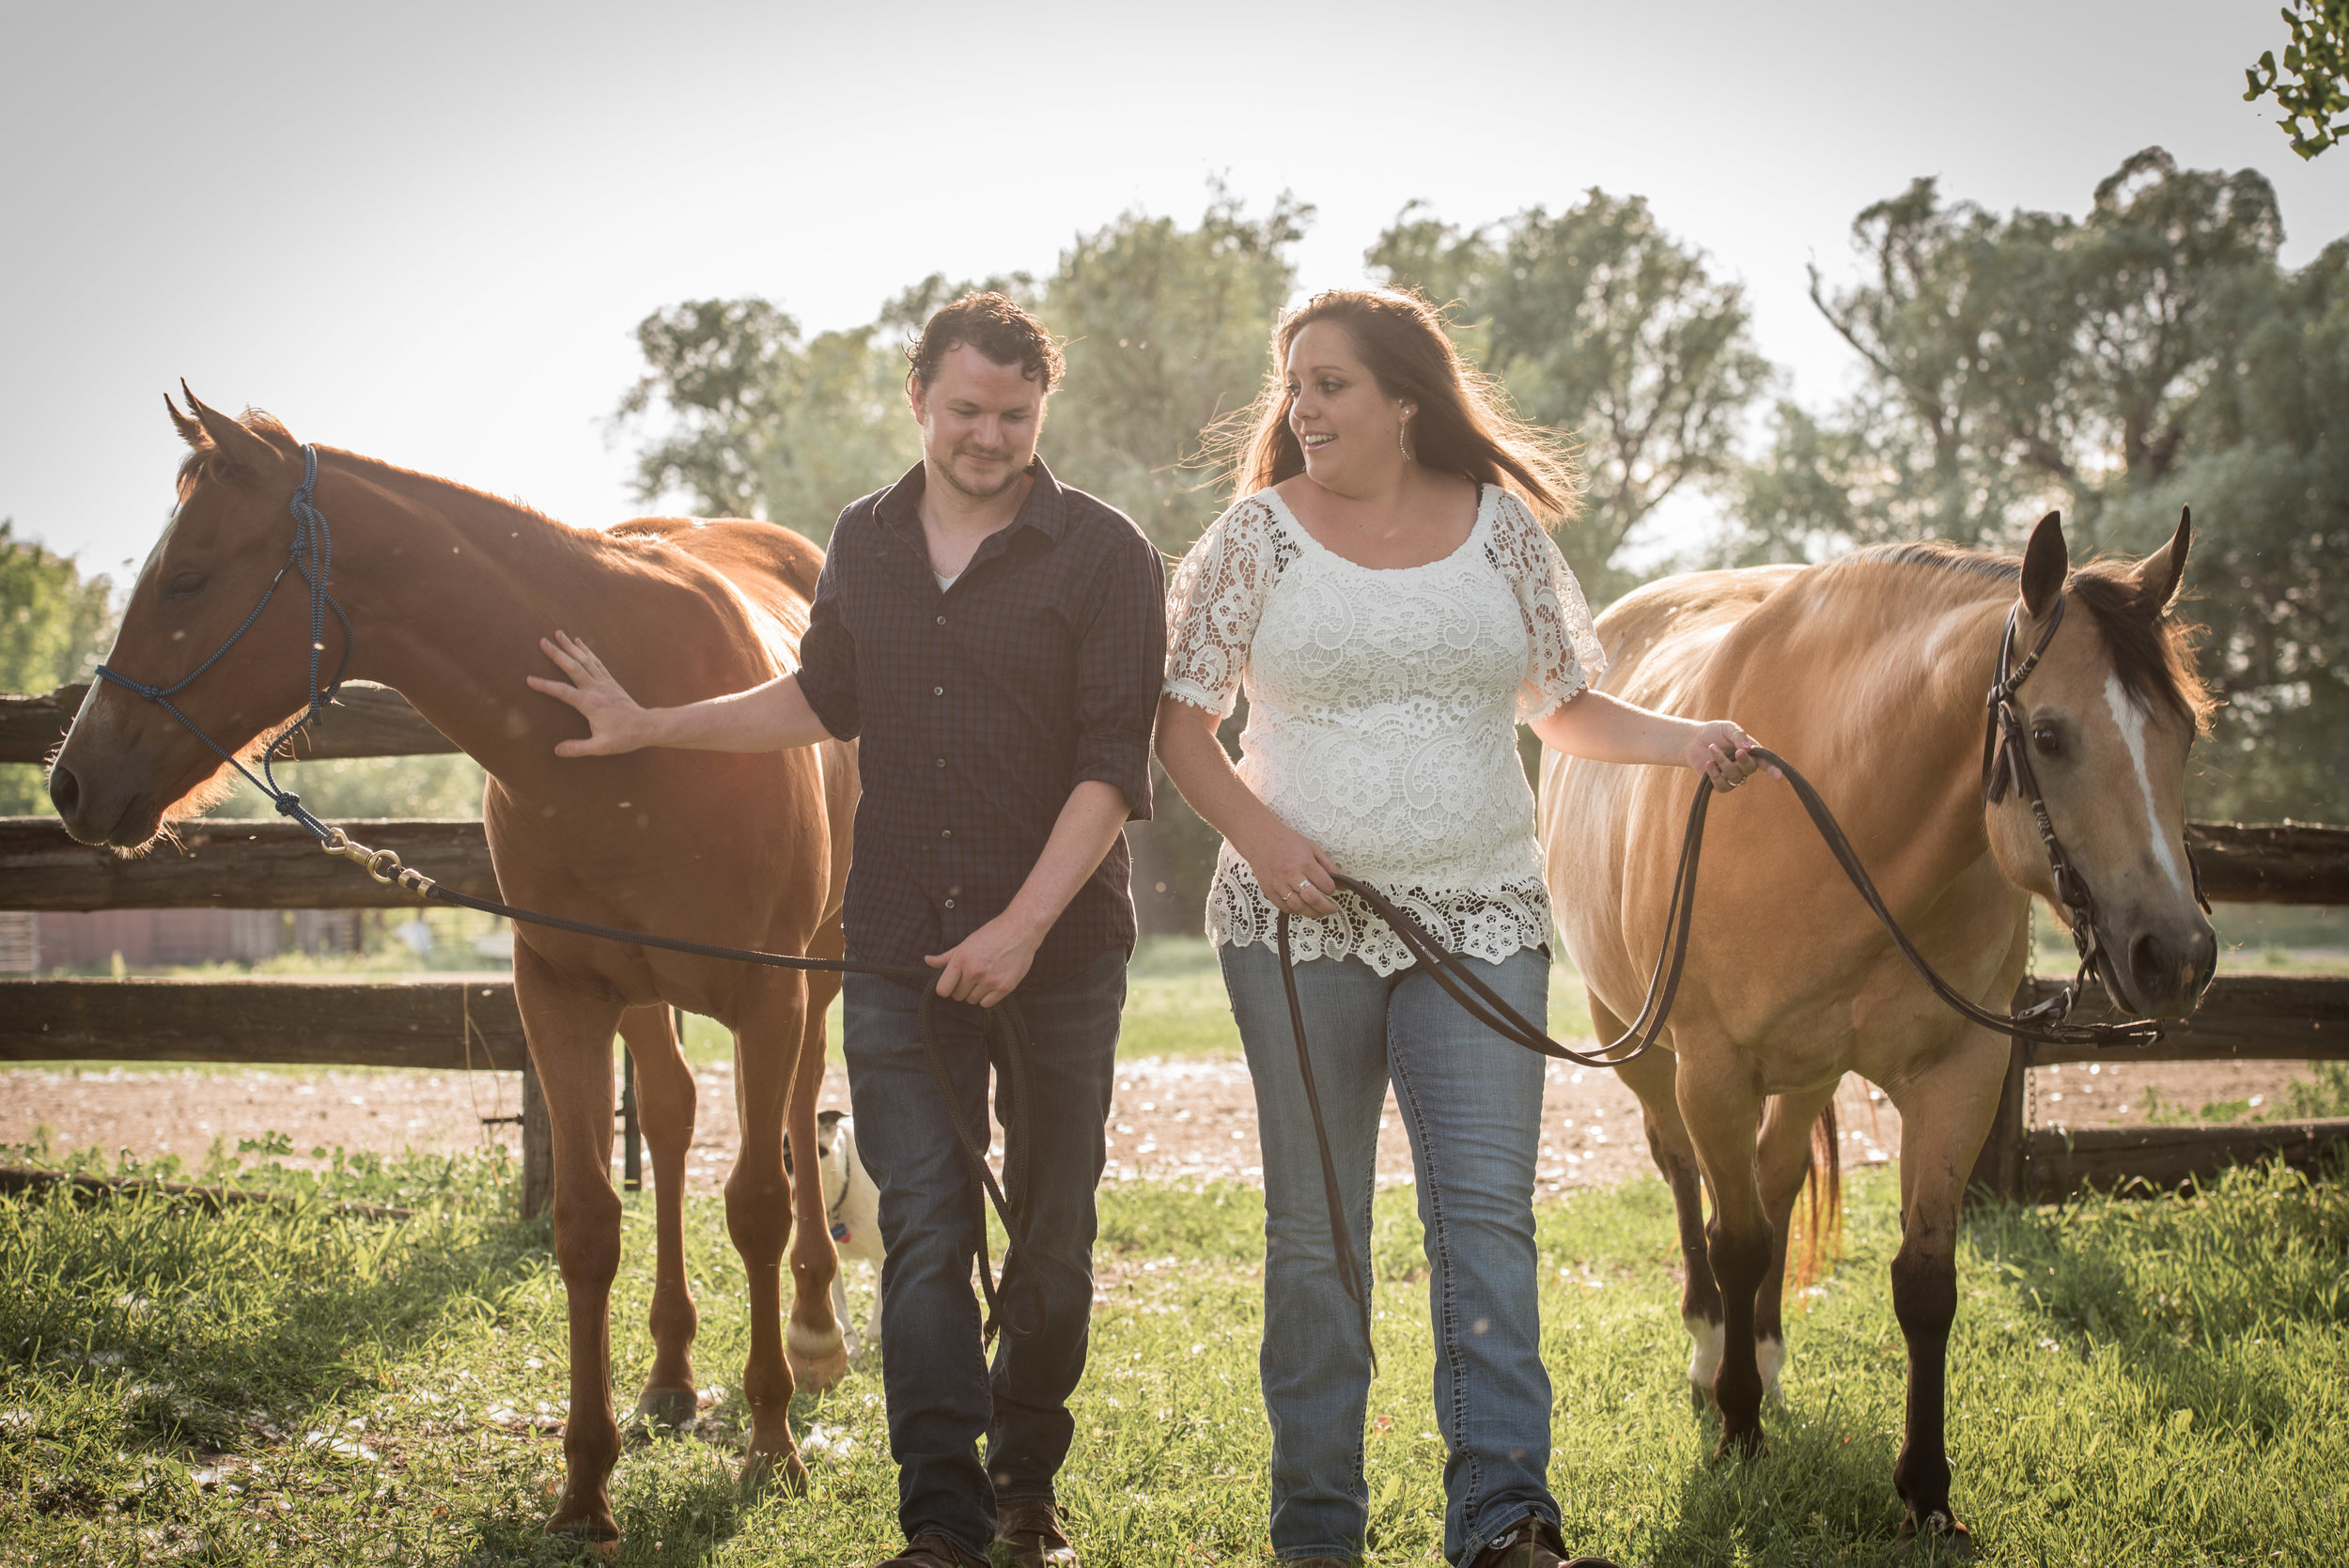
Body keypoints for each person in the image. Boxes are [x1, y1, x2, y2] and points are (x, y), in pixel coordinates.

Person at [530, 291, 1166, 1568]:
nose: (990, 436)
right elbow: (820, 696)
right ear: (922, 400)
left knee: (1050, 1228)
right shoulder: (865, 542)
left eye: (1016, 415)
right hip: (888, 947)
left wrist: (1021, 928)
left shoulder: (1106, 554)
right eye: (967, 409)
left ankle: (1023, 1489)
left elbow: (1113, 769)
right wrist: (655, 723)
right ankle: (938, 1524)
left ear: (1045, 413)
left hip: (1058, 951)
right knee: (925, 1227)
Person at [1155, 288, 1768, 1568]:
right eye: (1296, 385)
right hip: (1293, 929)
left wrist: (1689, 741)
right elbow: (1178, 725)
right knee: (1317, 1235)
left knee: (1485, 1222)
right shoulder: (1254, 539)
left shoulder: (1505, 537)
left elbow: (1568, 708)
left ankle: (1504, 1525)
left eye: (1330, 384)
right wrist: (1263, 839)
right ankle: (1316, 1534)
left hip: (1483, 915)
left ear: (1403, 400)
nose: (1304, 409)